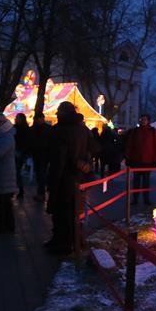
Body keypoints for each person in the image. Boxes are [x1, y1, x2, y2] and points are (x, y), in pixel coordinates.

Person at [46, 102, 91, 254]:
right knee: (72, 211)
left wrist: (53, 181)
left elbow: (59, 158)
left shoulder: (59, 130)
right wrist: (85, 161)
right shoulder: (83, 129)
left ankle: (62, 244)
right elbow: (95, 147)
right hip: (78, 176)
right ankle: (71, 241)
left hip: (63, 177)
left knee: (61, 211)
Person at [124, 114, 156, 206]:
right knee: (136, 181)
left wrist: (155, 160)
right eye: (142, 119)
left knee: (146, 181)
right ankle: (135, 198)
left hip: (148, 161)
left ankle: (146, 199)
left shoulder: (153, 131)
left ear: (148, 121)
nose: (143, 121)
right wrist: (128, 158)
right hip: (136, 160)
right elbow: (129, 145)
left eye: (145, 119)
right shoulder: (134, 131)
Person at [31, 113, 52, 202]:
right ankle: (41, 191)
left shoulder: (46, 129)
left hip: (44, 153)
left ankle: (41, 193)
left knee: (41, 173)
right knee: (39, 173)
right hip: (38, 153)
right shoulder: (38, 128)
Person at [13, 113, 32, 201]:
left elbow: (27, 142)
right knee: (15, 172)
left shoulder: (25, 129)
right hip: (15, 151)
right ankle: (16, 189)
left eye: (17, 118)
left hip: (20, 152)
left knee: (17, 171)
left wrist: (23, 152)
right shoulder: (15, 128)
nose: (16, 119)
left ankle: (20, 190)